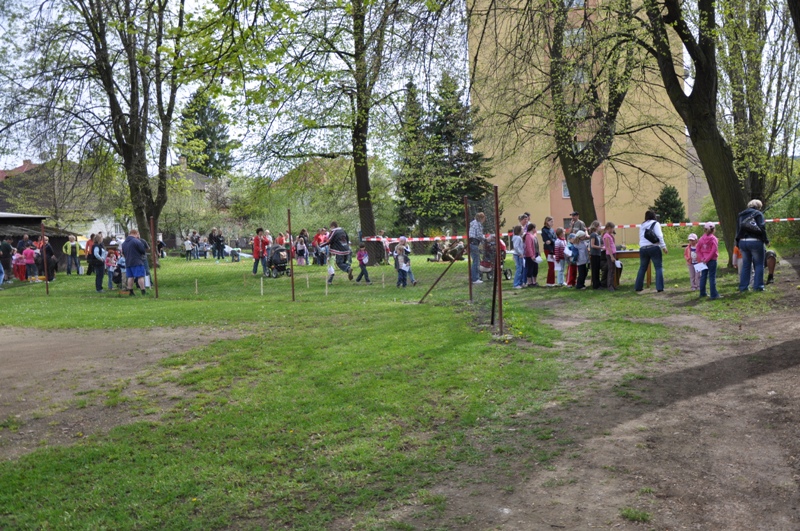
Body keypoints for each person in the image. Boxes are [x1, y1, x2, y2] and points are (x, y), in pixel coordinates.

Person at [736, 199, 769, 292]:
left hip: (743, 241)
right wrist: (766, 240)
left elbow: (738, 229)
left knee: (746, 265)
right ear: (759, 207)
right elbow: (762, 228)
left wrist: (737, 243)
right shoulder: (758, 214)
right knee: (759, 264)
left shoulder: (741, 215)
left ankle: (743, 287)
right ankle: (758, 286)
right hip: (755, 241)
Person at [634, 210, 668, 294]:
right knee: (658, 267)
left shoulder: (642, 225)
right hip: (653, 247)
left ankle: (638, 286)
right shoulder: (656, 224)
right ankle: (659, 287)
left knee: (642, 267)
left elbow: (641, 236)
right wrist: (663, 247)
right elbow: (659, 236)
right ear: (654, 216)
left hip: (643, 248)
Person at [697, 222, 721, 300]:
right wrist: (707, 259)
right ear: (713, 230)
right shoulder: (714, 239)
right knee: (712, 277)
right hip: (712, 260)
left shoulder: (701, 239)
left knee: (703, 276)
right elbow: (714, 250)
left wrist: (702, 258)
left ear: (704, 229)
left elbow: (697, 249)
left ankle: (702, 293)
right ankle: (713, 295)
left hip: (703, 261)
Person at [122, 229, 148, 296]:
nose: (138, 236)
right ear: (135, 233)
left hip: (128, 262)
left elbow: (123, 253)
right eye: (137, 234)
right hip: (137, 261)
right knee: (140, 276)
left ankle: (130, 291)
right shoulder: (136, 241)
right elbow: (143, 251)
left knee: (130, 277)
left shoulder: (124, 243)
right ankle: (143, 291)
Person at [469, 212, 486, 284]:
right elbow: (479, 235)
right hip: (474, 244)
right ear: (481, 218)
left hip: (471, 243)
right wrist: (486, 239)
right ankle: (475, 279)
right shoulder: (478, 224)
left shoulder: (473, 223)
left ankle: (473, 277)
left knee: (475, 261)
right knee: (476, 261)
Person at [541, 216, 556, 286]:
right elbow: (546, 240)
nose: (552, 223)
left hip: (553, 248)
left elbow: (555, 239)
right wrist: (551, 240)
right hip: (548, 249)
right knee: (551, 265)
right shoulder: (544, 230)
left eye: (553, 221)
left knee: (553, 265)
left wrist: (551, 241)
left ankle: (552, 281)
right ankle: (549, 282)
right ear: (547, 222)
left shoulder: (552, 230)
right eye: (551, 221)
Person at [523, 223, 540, 287]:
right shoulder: (528, 236)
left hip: (535, 254)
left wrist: (538, 252)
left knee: (535, 268)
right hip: (530, 256)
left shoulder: (533, 235)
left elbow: (536, 245)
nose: (536, 229)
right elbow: (529, 247)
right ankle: (529, 282)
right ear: (533, 228)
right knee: (530, 269)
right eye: (535, 228)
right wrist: (531, 255)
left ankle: (534, 282)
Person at [602, 222, 617, 291]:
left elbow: (613, 244)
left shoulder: (610, 235)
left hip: (613, 253)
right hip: (610, 254)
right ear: (609, 228)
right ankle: (609, 285)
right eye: (612, 228)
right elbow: (608, 247)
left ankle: (612, 284)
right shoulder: (606, 236)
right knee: (610, 270)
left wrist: (613, 237)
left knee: (613, 270)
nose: (613, 230)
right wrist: (611, 256)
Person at [588, 221, 603, 289]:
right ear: (596, 227)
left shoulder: (597, 235)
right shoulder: (593, 235)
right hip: (594, 254)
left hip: (598, 254)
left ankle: (598, 283)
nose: (600, 227)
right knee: (595, 270)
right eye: (599, 226)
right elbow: (592, 245)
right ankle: (595, 285)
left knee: (597, 269)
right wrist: (600, 247)